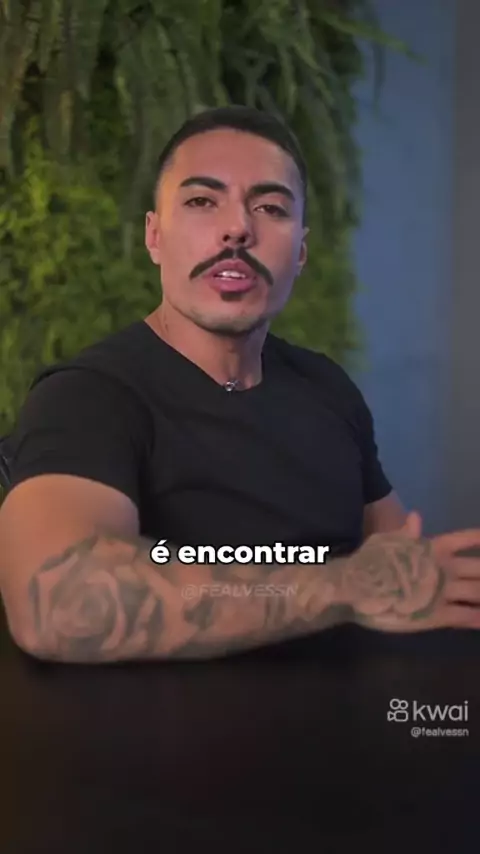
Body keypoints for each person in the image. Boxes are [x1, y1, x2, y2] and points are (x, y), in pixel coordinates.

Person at [1, 105, 480, 663]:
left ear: (300, 252)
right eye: (202, 201)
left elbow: (401, 572)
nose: (237, 228)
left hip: (347, 713)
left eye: (270, 207)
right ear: (155, 236)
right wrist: (342, 587)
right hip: (168, 721)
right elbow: (56, 605)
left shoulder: (327, 388)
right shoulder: (88, 396)